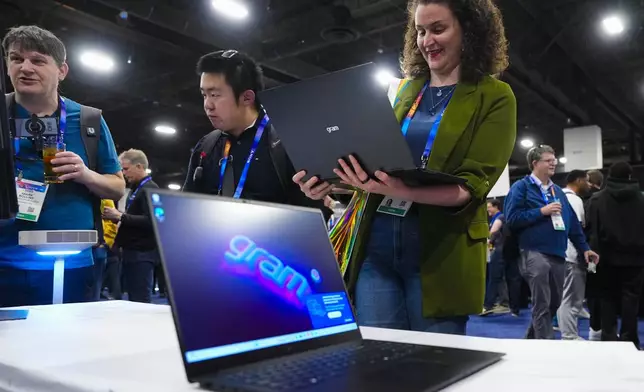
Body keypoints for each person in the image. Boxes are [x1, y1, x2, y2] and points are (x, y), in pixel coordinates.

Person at [296, 0, 516, 334]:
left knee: (437, 368)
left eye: (438, 29)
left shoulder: (495, 95)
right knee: (381, 362)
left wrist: (402, 190)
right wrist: (332, 181)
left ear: (469, 29)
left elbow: (470, 188)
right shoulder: (406, 90)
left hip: (439, 253)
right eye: (420, 31)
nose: (426, 40)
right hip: (377, 249)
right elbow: (377, 170)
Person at [0, 26, 124, 307]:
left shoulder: (88, 120)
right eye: (16, 58)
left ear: (62, 71)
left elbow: (117, 187)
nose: (25, 68)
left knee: (69, 347)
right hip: (4, 262)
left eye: (38, 60)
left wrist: (86, 174)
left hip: (72, 264)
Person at [182, 50, 331, 220]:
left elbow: (319, 209)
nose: (208, 105)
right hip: (220, 244)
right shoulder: (207, 146)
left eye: (215, 95)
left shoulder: (287, 141)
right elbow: (187, 209)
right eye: (204, 95)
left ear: (247, 97)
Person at [504, 146, 599, 339]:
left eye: (554, 159)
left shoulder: (558, 192)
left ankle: (531, 340)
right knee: (542, 304)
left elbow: (572, 225)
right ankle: (546, 349)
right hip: (533, 251)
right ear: (535, 164)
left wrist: (585, 249)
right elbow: (512, 218)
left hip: (558, 253)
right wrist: (541, 212)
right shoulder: (521, 187)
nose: (554, 163)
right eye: (548, 160)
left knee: (554, 303)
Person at [586, 162, 644, 348]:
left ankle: (609, 339)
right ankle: (630, 339)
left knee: (607, 299)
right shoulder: (641, 199)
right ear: (629, 176)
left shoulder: (596, 200)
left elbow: (591, 230)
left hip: (605, 258)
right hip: (635, 259)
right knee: (631, 300)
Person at [103, 149, 159, 303]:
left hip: (142, 253)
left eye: (126, 169)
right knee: (133, 298)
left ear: (139, 167)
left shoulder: (150, 188)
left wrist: (121, 216)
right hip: (131, 252)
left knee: (140, 298)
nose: (124, 173)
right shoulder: (136, 189)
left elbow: (152, 221)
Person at [556, 169, 590, 340]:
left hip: (559, 253)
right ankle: (569, 336)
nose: (589, 185)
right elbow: (578, 228)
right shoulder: (574, 200)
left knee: (564, 297)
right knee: (571, 299)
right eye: (587, 180)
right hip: (572, 254)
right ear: (578, 180)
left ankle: (568, 334)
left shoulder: (558, 196)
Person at [481, 199, 516, 316]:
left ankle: (488, 305)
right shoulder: (497, 218)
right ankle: (504, 302)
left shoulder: (499, 217)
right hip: (499, 251)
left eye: (489, 207)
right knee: (500, 279)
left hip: (498, 251)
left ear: (496, 207)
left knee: (494, 278)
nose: (487, 209)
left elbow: (492, 233)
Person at [584, 168, 604, 340]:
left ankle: (595, 329)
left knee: (594, 291)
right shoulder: (605, 198)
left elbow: (586, 226)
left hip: (592, 253)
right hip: (609, 252)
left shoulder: (590, 200)